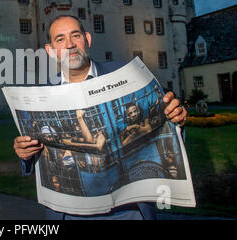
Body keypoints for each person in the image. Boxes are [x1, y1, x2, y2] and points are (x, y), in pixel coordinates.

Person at [13, 15, 187, 220]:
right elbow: (40, 156)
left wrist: (176, 119)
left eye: (75, 36)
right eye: (60, 39)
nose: (69, 44)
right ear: (50, 51)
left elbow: (160, 130)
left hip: (128, 210)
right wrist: (25, 154)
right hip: (69, 213)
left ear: (87, 39)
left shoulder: (127, 74)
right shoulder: (40, 97)